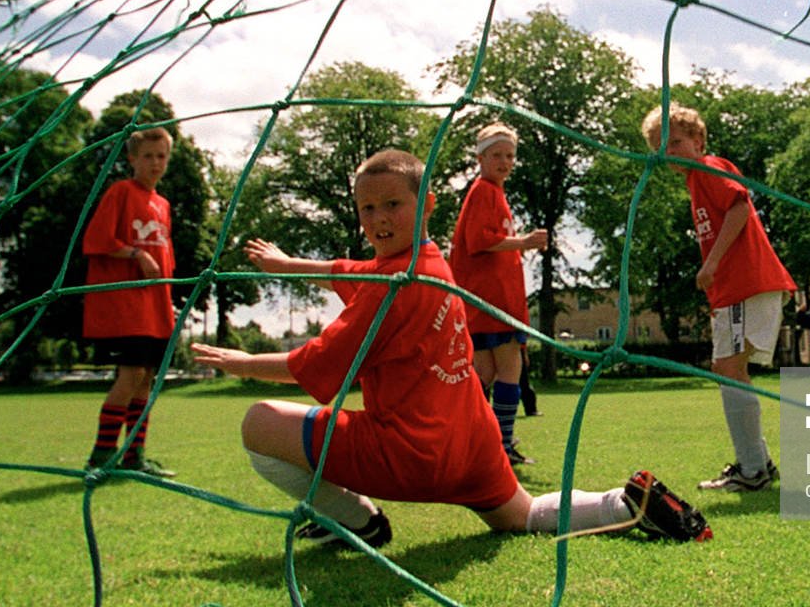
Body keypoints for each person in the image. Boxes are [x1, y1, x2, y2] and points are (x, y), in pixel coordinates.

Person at [189, 149, 709, 547]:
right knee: (522, 515)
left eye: (393, 204)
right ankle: (624, 505)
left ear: (427, 203)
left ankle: (357, 522)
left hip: (409, 452)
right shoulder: (433, 263)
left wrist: (239, 362)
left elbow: (312, 369)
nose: (378, 218)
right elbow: (348, 271)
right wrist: (289, 264)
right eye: (367, 208)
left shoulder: (389, 291)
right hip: (474, 442)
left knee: (258, 422)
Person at [642, 103, 796, 491]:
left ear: (698, 141)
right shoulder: (694, 182)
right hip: (734, 290)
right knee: (726, 369)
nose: (669, 151)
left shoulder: (710, 168)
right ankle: (757, 463)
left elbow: (740, 207)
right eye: (661, 146)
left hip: (746, 283)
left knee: (729, 369)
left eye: (676, 142)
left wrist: (710, 263)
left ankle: (752, 471)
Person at [80, 126, 178, 476]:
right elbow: (96, 239)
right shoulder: (121, 192)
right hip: (125, 307)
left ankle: (134, 457)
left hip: (154, 308)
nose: (155, 162)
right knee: (131, 373)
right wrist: (136, 253)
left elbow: (165, 260)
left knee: (146, 378)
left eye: (161, 156)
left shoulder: (163, 204)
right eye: (148, 156)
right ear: (132, 159)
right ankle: (101, 457)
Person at [449, 124, 548, 467]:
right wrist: (524, 241)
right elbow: (479, 241)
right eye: (496, 155)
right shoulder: (484, 191)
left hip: (489, 299)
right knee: (510, 367)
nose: (504, 161)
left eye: (509, 155)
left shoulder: (493, 193)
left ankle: (470, 441)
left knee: (484, 373)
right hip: (491, 301)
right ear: (480, 158)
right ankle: (500, 444)